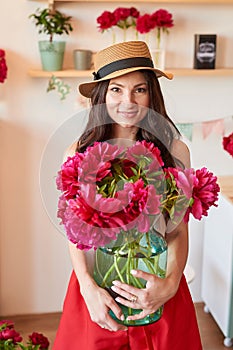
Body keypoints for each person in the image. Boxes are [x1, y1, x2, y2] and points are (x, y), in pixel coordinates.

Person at [53, 41, 202, 349]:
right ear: (101, 95)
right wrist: (87, 288)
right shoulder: (78, 153)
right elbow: (74, 231)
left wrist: (171, 284)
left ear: (152, 94)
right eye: (116, 90)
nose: (128, 101)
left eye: (139, 89)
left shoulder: (174, 151)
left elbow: (178, 229)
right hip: (97, 286)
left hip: (156, 283)